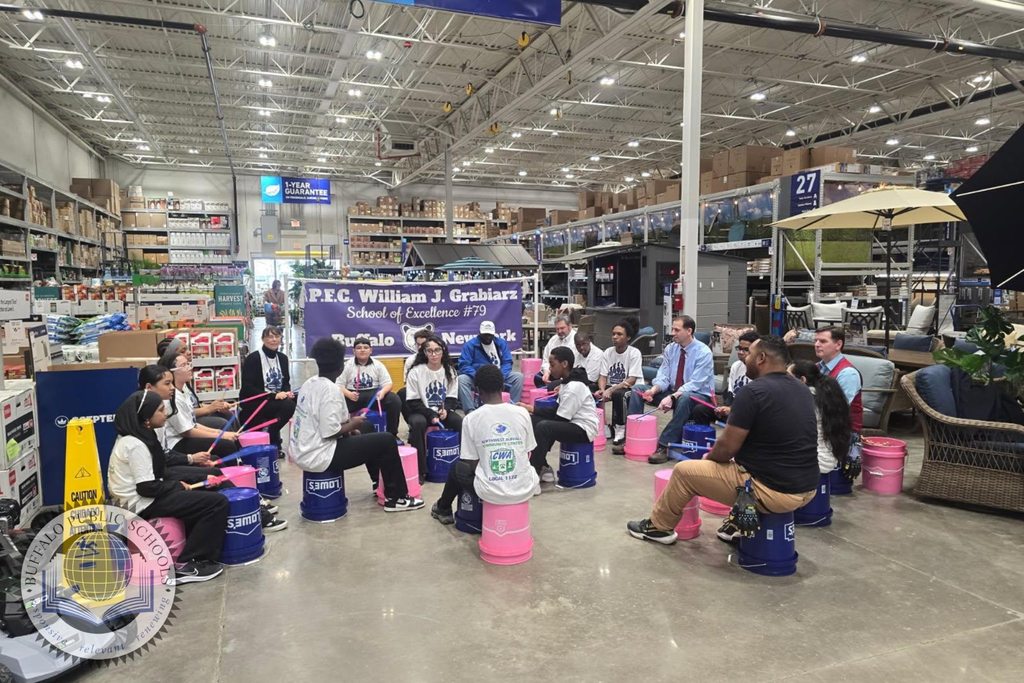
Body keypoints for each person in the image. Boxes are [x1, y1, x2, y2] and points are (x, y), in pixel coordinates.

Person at [626, 336, 818, 545]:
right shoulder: (802, 390)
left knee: (684, 472)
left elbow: (726, 448)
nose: (745, 359)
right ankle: (735, 523)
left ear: (762, 358)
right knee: (736, 464)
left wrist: (709, 459)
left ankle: (658, 527)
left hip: (775, 491)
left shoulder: (753, 391)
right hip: (808, 487)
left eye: (750, 354)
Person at [106, 389, 229, 584]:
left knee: (207, 484)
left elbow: (159, 471)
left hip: (145, 496)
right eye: (161, 410)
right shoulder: (135, 444)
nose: (165, 414)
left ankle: (196, 544)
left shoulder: (140, 435)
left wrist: (186, 477)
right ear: (147, 418)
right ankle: (188, 564)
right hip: (139, 505)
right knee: (217, 503)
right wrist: (178, 486)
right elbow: (146, 487)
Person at [290, 337, 423, 512]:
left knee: (366, 427)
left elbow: (331, 422)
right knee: (387, 440)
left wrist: (353, 428)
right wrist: (353, 425)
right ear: (340, 367)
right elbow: (330, 432)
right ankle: (397, 498)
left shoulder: (310, 383)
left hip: (303, 448)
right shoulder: (331, 391)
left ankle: (378, 482)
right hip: (319, 455)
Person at [430, 365, 538, 525]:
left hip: (490, 492)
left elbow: (471, 463)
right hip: (525, 488)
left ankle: (443, 508)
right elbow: (529, 452)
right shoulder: (522, 413)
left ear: (477, 391)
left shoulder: (471, 419)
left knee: (457, 467)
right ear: (503, 387)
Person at [619, 315, 715, 463]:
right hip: (673, 391)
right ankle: (631, 438)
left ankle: (664, 445)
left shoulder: (704, 353)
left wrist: (672, 397)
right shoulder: (671, 349)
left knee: (685, 397)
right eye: (672, 329)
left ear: (689, 331)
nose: (672, 333)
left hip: (698, 396)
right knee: (638, 389)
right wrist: (654, 390)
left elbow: (695, 384)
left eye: (677, 330)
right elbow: (663, 375)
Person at [519, 347, 599, 485]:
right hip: (572, 422)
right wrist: (531, 410)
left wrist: (533, 409)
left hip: (584, 429)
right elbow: (557, 410)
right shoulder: (566, 383)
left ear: (564, 364)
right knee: (532, 420)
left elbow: (560, 418)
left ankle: (532, 476)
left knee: (544, 427)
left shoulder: (574, 387)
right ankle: (542, 465)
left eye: (552, 365)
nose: (550, 369)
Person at [404, 335, 464, 483]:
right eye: (429, 351)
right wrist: (431, 414)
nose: (434, 354)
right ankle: (421, 470)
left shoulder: (450, 371)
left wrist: (446, 410)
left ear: (443, 351)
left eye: (437, 350)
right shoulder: (416, 372)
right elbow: (413, 401)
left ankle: (464, 463)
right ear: (424, 352)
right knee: (417, 424)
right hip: (421, 411)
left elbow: (452, 397)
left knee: (459, 421)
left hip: (441, 411)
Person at [162, 353, 241, 457]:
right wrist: (221, 436)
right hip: (177, 442)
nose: (190, 368)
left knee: (226, 432)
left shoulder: (184, 390)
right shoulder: (172, 397)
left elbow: (192, 423)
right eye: (184, 365)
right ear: (172, 372)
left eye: (188, 364)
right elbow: (187, 432)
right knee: (226, 445)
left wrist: (219, 432)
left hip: (186, 435)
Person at [790, 361, 853, 475]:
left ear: (802, 380)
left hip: (816, 461)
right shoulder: (822, 396)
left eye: (788, 377)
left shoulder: (805, 401)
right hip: (828, 458)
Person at [239, 326, 296, 453]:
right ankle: (271, 435)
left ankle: (270, 432)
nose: (274, 340)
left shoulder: (282, 358)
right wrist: (272, 395)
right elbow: (247, 388)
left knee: (294, 400)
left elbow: (286, 382)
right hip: (257, 400)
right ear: (263, 339)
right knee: (287, 406)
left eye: (277, 336)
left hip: (275, 399)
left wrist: (287, 392)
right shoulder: (253, 358)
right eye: (270, 337)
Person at [158, 337, 232, 429]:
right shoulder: (172, 389)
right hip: (186, 423)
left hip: (192, 419)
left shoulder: (184, 379)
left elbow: (192, 405)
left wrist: (216, 406)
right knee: (221, 423)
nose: (189, 352)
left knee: (229, 415)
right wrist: (209, 409)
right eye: (183, 351)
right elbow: (185, 415)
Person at [338, 337, 402, 436]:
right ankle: (343, 434)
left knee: (394, 400)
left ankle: (392, 434)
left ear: (371, 350)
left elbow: (388, 383)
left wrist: (383, 392)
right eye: (359, 348)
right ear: (354, 351)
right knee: (336, 402)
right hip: (352, 396)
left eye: (365, 347)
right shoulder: (347, 365)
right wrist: (348, 394)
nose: (362, 350)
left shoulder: (378, 365)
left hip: (374, 396)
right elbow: (338, 385)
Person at [457, 321, 525, 411]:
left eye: (490, 335)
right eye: (485, 334)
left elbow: (507, 362)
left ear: (494, 334)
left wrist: (500, 376)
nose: (488, 337)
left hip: (498, 375)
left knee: (518, 377)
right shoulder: (470, 345)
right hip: (478, 376)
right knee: (462, 379)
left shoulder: (501, 343)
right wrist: (479, 376)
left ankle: (513, 408)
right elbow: (464, 365)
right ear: (480, 333)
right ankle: (470, 410)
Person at [598, 316, 644, 446]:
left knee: (620, 394)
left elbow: (632, 380)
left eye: (619, 334)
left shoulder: (634, 353)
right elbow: (602, 376)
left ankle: (620, 429)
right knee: (592, 391)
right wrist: (602, 390)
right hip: (612, 385)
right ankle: (604, 426)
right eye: (613, 334)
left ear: (628, 337)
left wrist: (611, 389)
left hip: (631, 388)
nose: (615, 337)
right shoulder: (607, 352)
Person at [814, 326, 863, 434]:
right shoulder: (817, 367)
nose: (816, 345)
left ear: (838, 345)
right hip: (821, 427)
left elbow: (838, 409)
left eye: (822, 341)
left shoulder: (848, 374)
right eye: (816, 341)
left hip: (841, 434)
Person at [533, 316, 578, 388]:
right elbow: (546, 360)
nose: (560, 331)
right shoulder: (553, 340)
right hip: (553, 372)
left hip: (568, 374)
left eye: (562, 328)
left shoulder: (576, 340)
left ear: (569, 326)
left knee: (553, 385)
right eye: (557, 329)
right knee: (538, 378)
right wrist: (546, 372)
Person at [724, 330, 760, 405]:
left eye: (746, 350)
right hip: (734, 403)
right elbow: (731, 391)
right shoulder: (736, 365)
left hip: (749, 406)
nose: (740, 352)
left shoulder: (761, 369)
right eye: (740, 348)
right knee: (701, 410)